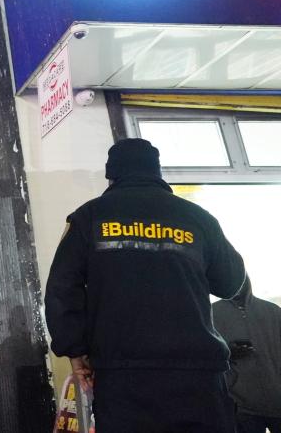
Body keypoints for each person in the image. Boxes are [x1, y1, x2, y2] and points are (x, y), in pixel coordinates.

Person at [46, 138, 246, 433]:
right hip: (198, 377)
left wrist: (76, 352)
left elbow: (61, 291)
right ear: (158, 171)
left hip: (123, 379)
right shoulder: (198, 219)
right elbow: (230, 283)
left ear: (110, 174)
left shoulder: (88, 218)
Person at [212, 276, 281, 433]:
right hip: (241, 406)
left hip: (277, 400)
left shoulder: (273, 312)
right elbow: (205, 355)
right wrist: (228, 353)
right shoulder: (211, 314)